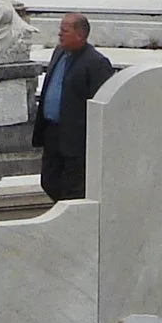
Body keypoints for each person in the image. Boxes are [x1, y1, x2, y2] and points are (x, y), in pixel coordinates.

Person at [32, 12, 116, 201]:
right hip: (52, 133)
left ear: (80, 35)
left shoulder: (96, 63)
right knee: (49, 181)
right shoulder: (59, 52)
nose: (60, 34)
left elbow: (102, 102)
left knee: (73, 189)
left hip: (76, 141)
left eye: (65, 30)